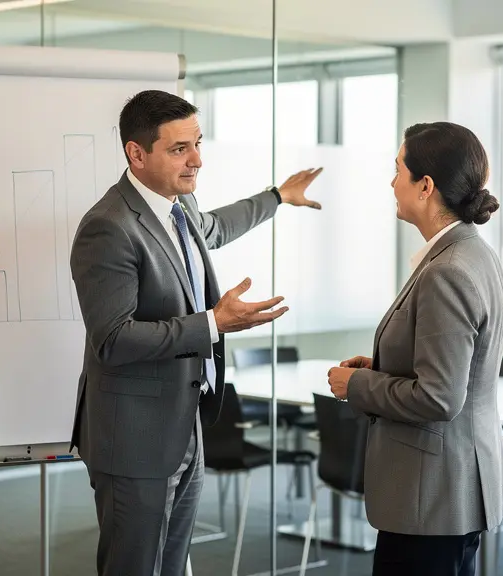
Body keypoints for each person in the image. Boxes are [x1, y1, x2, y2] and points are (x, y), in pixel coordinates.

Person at [69, 89, 323, 576]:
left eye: (198, 144)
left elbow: (215, 228)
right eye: (179, 149)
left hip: (185, 422)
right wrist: (213, 323)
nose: (197, 161)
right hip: (135, 438)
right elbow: (114, 339)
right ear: (136, 154)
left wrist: (277, 198)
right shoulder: (109, 227)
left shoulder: (178, 209)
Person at [325, 121, 503, 576]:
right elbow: (453, 370)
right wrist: (384, 365)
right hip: (451, 487)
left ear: (425, 186)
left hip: (431, 496)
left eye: (397, 170)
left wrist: (359, 385)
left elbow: (440, 397)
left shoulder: (447, 271)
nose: (391, 183)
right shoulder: (473, 253)